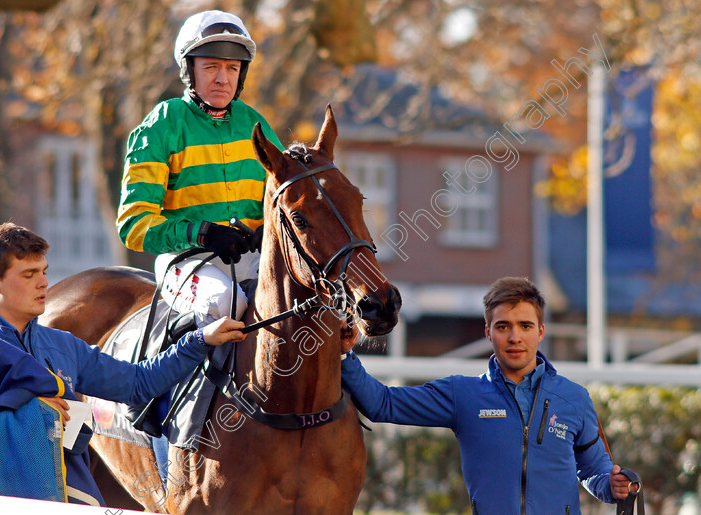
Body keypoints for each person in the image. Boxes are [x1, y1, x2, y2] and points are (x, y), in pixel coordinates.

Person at [0, 223, 246, 506]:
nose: (43, 283)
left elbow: (137, 384)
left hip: (72, 503)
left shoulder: (64, 345)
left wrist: (200, 340)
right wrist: (32, 417)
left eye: (44, 271)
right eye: (29, 274)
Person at [340, 276, 635, 514]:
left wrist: (612, 485)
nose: (515, 337)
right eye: (503, 326)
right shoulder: (462, 394)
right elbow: (383, 404)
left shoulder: (575, 398)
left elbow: (595, 469)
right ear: (488, 332)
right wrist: (345, 356)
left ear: (541, 331)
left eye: (525, 326)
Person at [116, 9, 284, 328]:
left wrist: (269, 229)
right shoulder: (162, 125)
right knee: (227, 304)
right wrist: (202, 233)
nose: (222, 78)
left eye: (232, 68)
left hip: (251, 258)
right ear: (189, 70)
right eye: (211, 67)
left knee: (311, 298)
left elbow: (284, 198)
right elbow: (133, 225)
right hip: (185, 260)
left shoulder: (255, 124)